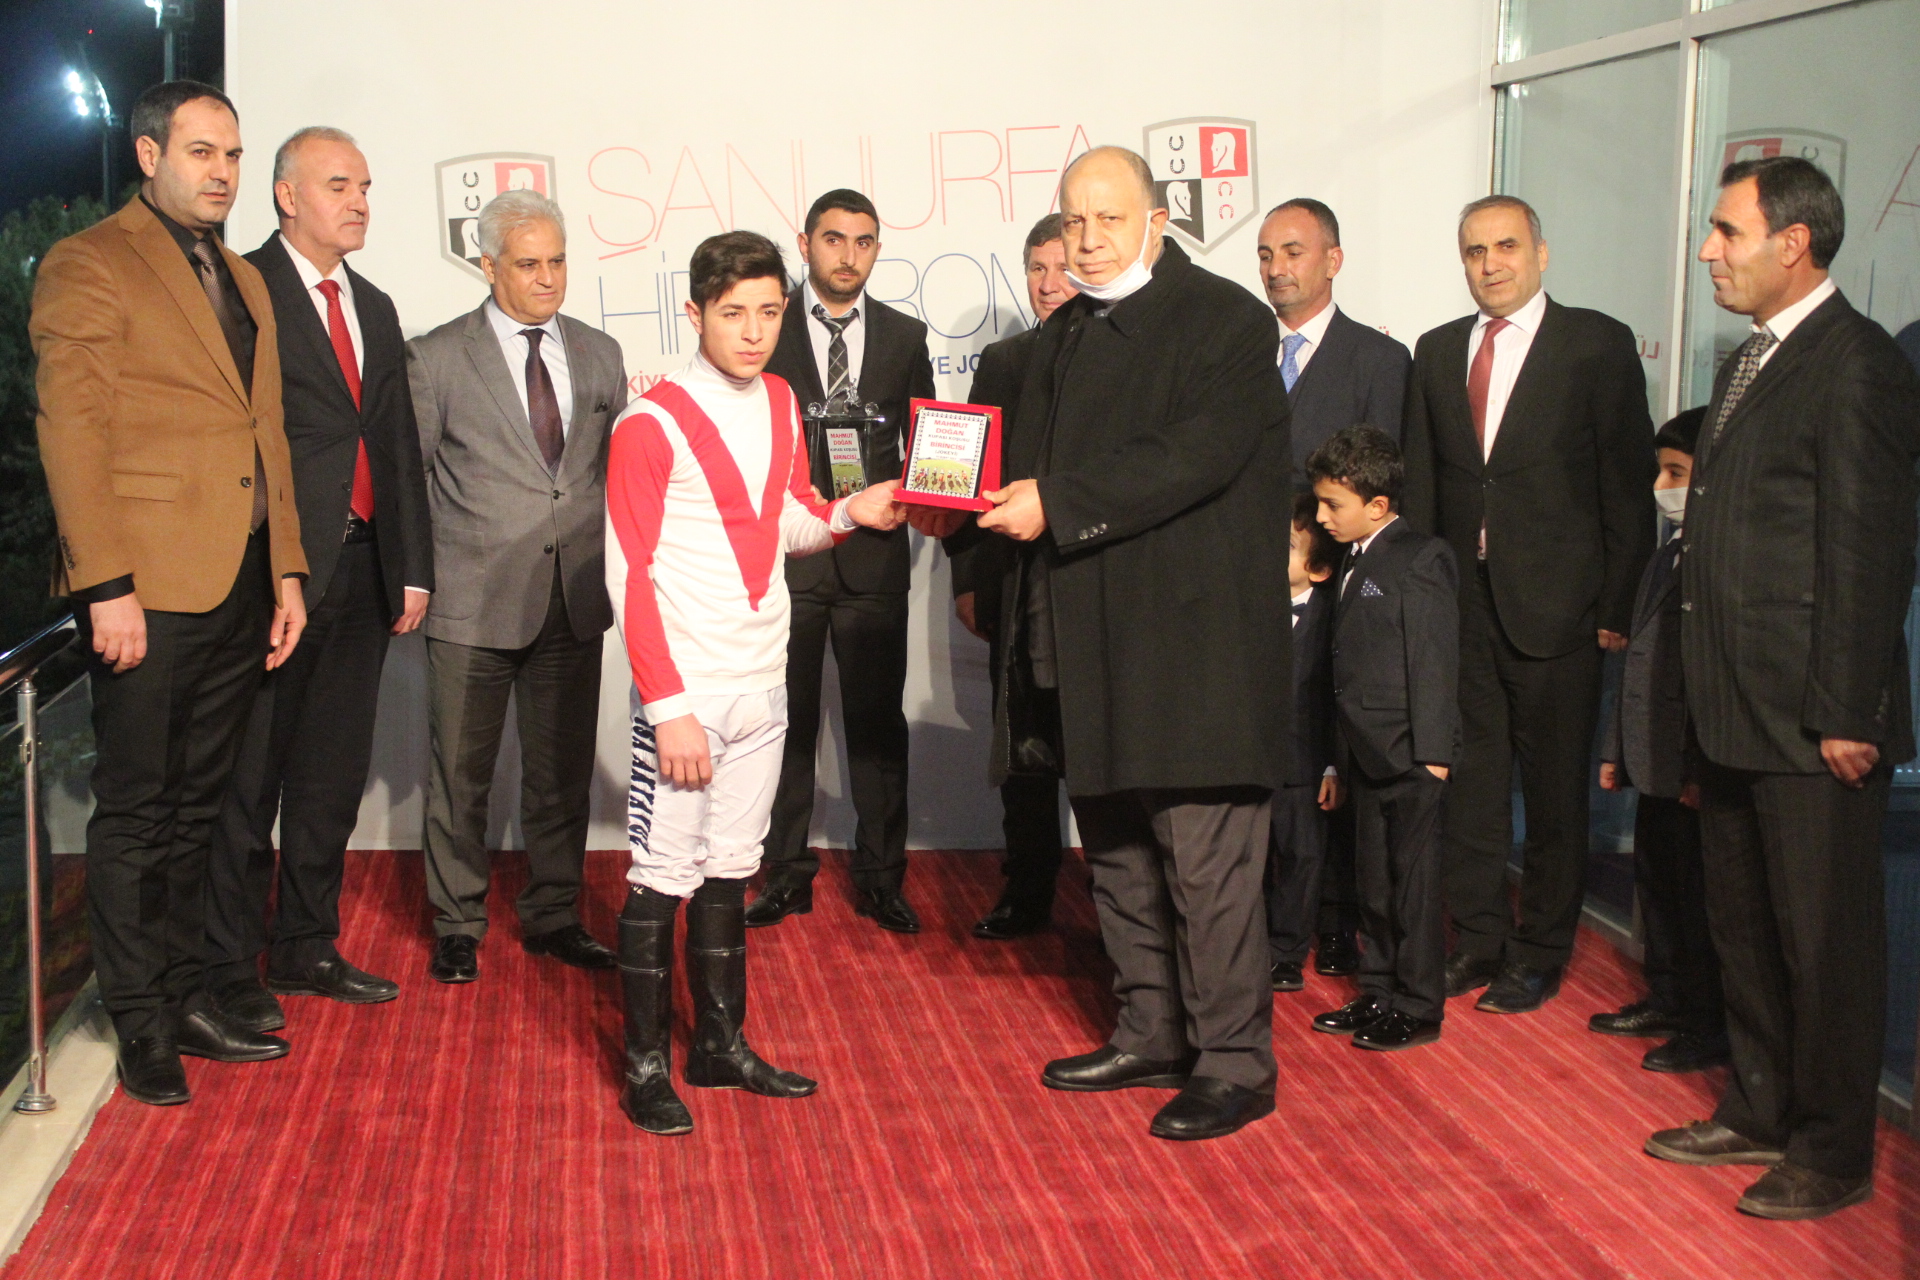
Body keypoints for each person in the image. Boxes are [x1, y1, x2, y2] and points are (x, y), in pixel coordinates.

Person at [981, 146, 1291, 1141]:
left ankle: (1234, 1062)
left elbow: (1192, 457)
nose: (1088, 239)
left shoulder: (1227, 319)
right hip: (1084, 642)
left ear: (1159, 221)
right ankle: (1150, 1030)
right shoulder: (1065, 332)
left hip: (1192, 654)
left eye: (1110, 218)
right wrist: (951, 500)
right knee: (1115, 853)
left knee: (1206, 867)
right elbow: (1021, 469)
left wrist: (1056, 500)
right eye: (1074, 220)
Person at [1645, 156, 1920, 1221]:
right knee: (1748, 930)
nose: (1707, 251)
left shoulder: (1858, 364)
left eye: (1727, 231)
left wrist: (1848, 712)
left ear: (1792, 242)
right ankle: (1760, 1109)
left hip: (1813, 723)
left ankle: (1832, 1148)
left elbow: (1869, 550)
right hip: (1731, 708)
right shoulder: (1751, 358)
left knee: (1824, 945)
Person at [31, 80, 309, 1105]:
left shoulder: (241, 274)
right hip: (144, 586)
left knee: (200, 806)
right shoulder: (89, 261)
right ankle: (138, 1016)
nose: (222, 172)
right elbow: (71, 427)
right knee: (141, 810)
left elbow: (266, 429)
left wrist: (287, 566)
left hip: (238, 579)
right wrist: (105, 583)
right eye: (201, 152)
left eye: (232, 155)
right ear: (149, 155)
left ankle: (186, 990)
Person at [603, 230, 908, 1134]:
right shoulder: (650, 421)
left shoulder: (779, 399)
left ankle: (719, 1044)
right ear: (694, 313)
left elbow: (784, 523)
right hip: (688, 693)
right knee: (662, 876)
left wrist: (853, 511)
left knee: (732, 869)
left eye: (769, 312)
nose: (752, 331)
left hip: (763, 682)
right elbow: (627, 572)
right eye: (732, 313)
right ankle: (645, 1065)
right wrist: (668, 708)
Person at [202, 127, 433, 1032]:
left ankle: (306, 943)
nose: (360, 201)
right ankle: (230, 968)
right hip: (275, 579)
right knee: (249, 781)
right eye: (339, 185)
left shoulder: (373, 304)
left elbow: (395, 443)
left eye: (366, 186)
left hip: (366, 572)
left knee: (331, 778)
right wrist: (274, 567)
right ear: (287, 195)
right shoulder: (242, 287)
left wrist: (411, 565)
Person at [1402, 195, 1655, 1014]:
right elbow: (1424, 485)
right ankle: (1477, 940)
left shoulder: (1596, 344)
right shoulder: (1437, 350)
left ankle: (1540, 951)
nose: (1491, 264)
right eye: (1475, 250)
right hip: (1462, 610)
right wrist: (1422, 603)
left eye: (1507, 246)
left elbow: (1626, 487)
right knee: (1470, 791)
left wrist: (1616, 606)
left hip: (1562, 613)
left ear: (1541, 253)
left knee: (1552, 797)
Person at [407, 189, 628, 983]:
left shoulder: (601, 353)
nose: (547, 278)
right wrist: (415, 582)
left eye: (557, 261)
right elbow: (411, 482)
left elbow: (610, 475)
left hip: (574, 595)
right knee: (460, 779)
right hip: (469, 601)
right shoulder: (435, 357)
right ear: (487, 266)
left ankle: (554, 913)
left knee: (560, 775)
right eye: (529, 264)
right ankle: (457, 921)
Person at [747, 190, 936, 934]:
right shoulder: (766, 327)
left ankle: (883, 878)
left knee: (878, 727)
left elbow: (928, 441)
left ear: (877, 248)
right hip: (788, 555)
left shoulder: (904, 335)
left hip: (875, 559)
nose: (848, 255)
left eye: (863, 241)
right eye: (834, 239)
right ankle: (784, 873)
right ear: (805, 244)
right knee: (782, 724)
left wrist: (939, 496)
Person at [1257, 199, 1412, 979]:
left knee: (1335, 759)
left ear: (1333, 260)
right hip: (1251, 589)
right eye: (1264, 254)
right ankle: (1266, 921)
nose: (1276, 268)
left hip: (1342, 589)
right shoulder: (1240, 353)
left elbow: (1384, 482)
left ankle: (1339, 918)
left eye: (1292, 251)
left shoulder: (1378, 360)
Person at [945, 213, 1077, 940]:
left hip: (1093, 587)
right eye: (1036, 268)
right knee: (1021, 752)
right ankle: (1026, 891)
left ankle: (1119, 900)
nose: (1048, 284)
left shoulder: (1123, 359)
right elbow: (967, 479)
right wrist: (968, 579)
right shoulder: (1001, 360)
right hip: (1015, 587)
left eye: (1062, 268)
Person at [1305, 427, 1458, 1050]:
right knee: (1372, 882)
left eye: (1331, 505)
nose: (1321, 517)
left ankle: (1418, 1005)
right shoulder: (1353, 556)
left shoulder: (1421, 556)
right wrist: (1337, 762)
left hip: (1410, 754)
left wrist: (1434, 755)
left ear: (1377, 504)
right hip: (1363, 753)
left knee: (1412, 886)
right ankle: (1378, 990)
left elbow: (1433, 659)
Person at [1591, 407, 1728, 1075]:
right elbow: (1639, 664)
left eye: (1676, 472)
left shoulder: (1718, 558)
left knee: (1699, 899)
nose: (1661, 487)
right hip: (1652, 758)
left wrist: (1700, 768)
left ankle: (1706, 1023)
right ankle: (1668, 997)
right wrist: (1616, 749)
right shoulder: (1668, 549)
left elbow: (1708, 675)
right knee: (1660, 885)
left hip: (1689, 764)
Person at [1263, 490, 1342, 990]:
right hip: (1255, 761)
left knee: (1302, 857)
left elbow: (1335, 702)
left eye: (1289, 547)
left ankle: (1287, 952)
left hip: (1306, 763)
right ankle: (1250, 944)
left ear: (1318, 570)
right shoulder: (1251, 610)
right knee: (1253, 858)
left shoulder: (1332, 621)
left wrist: (1332, 766)